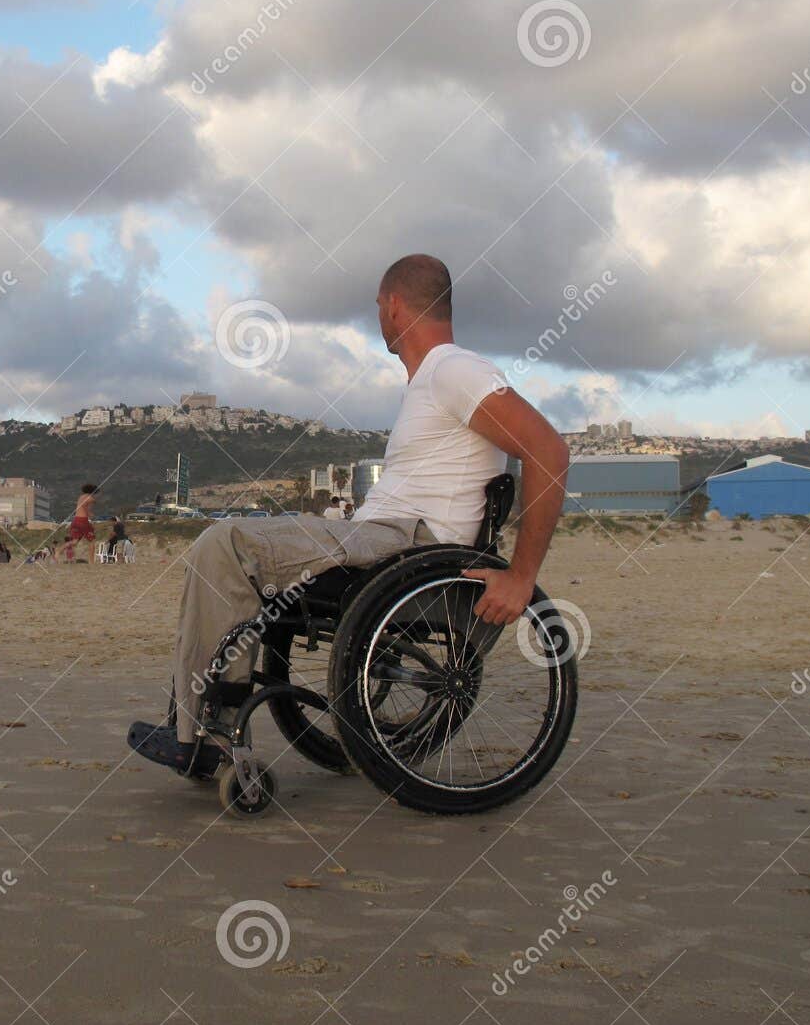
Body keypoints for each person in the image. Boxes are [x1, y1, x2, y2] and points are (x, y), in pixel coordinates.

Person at [127, 253, 569, 773]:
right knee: (230, 549)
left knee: (224, 543)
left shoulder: (454, 369)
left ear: (395, 306)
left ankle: (202, 736)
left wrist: (521, 575)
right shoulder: (433, 379)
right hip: (385, 539)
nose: (379, 315)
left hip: (405, 545)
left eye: (379, 306)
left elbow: (548, 450)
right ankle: (205, 723)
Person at [65, 483, 98, 559]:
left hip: (76, 519)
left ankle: (59, 550)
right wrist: (89, 513)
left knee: (75, 541)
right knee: (92, 541)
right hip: (83, 520)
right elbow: (84, 506)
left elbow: (82, 505)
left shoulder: (81, 497)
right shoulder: (90, 498)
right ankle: (91, 562)